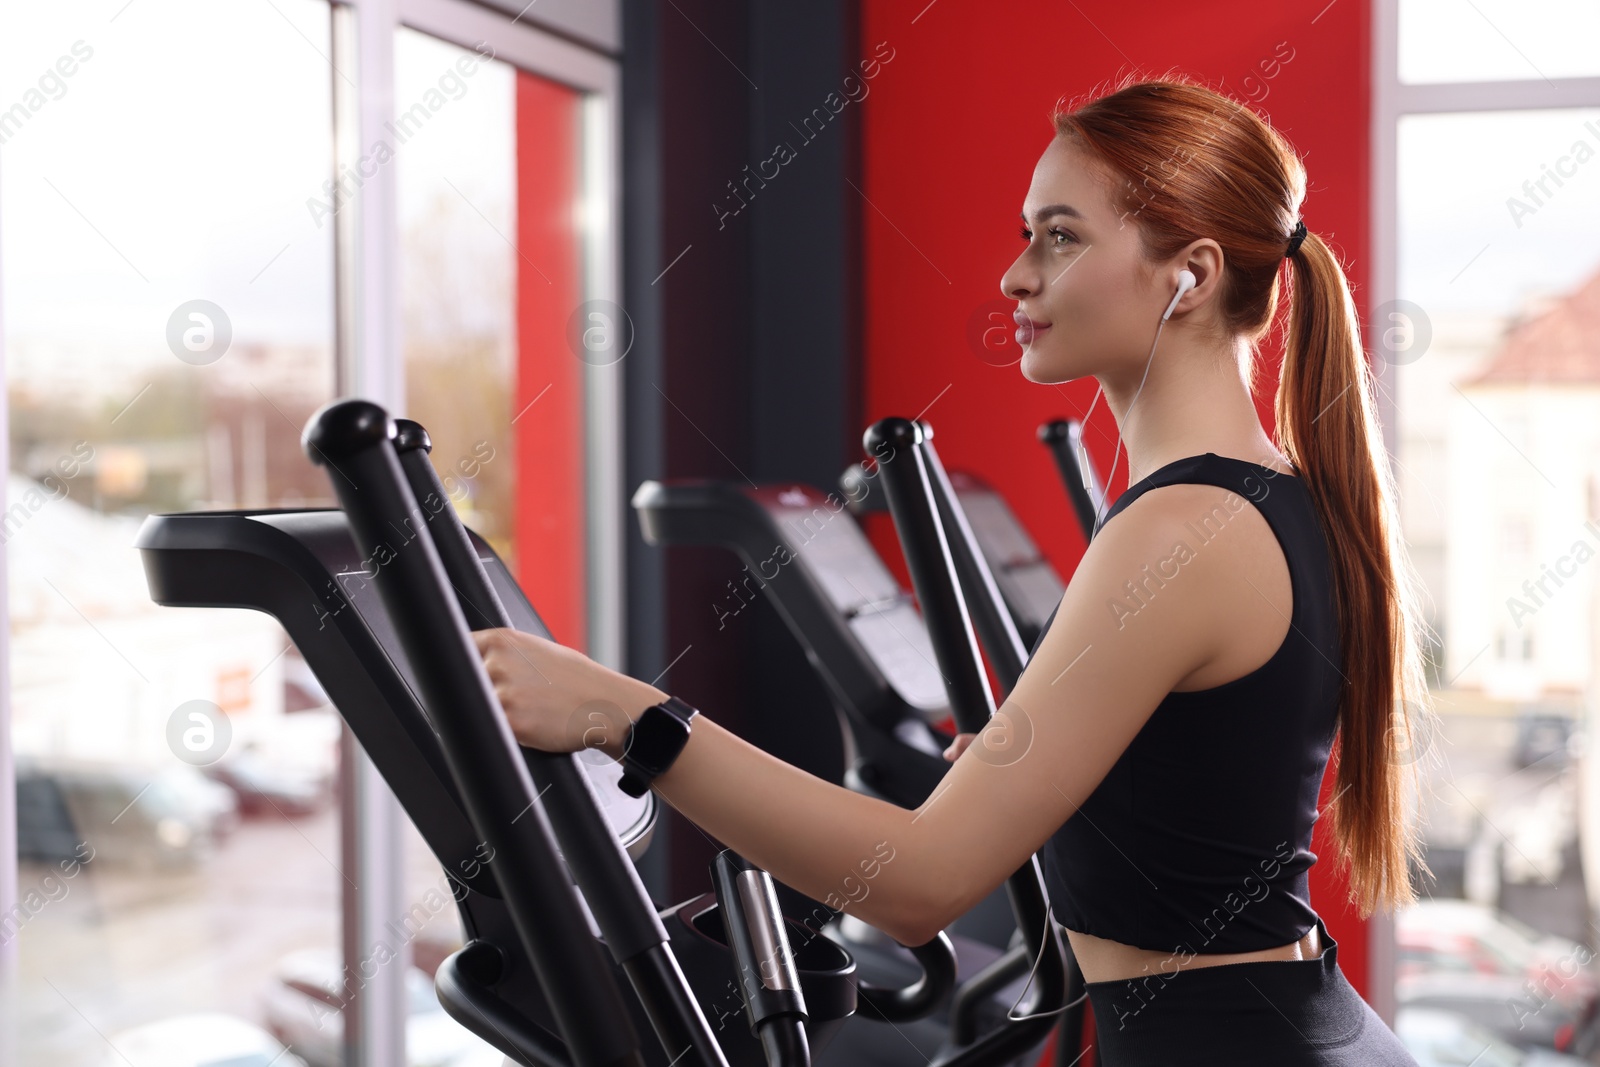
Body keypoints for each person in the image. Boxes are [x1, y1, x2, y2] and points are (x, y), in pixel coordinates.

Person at [471, 74, 1435, 1065]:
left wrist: (632, 717)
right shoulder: (1256, 496)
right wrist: (1054, 787)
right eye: (1028, 234)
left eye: (1059, 236)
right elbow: (1209, 795)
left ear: (1185, 275)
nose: (1017, 275)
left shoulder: (1184, 528)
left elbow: (917, 880)